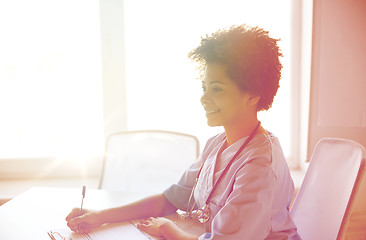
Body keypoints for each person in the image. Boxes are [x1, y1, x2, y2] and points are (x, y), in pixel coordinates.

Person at [66, 24, 300, 240]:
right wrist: (100, 215)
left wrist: (168, 229)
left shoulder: (260, 165)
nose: (204, 97)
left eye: (216, 89)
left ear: (253, 95)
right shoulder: (217, 144)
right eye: (204, 87)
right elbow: (169, 200)